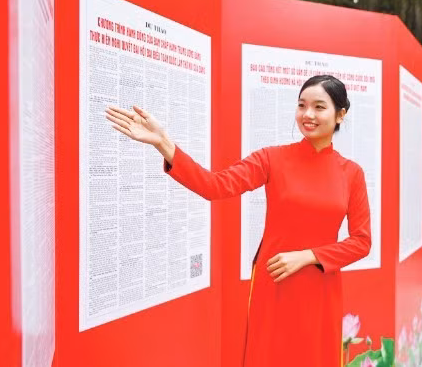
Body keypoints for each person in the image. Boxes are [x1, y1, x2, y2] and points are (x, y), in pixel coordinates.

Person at [106, 75, 371, 367]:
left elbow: (361, 241)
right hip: (276, 283)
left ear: (340, 115)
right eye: (302, 105)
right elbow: (214, 186)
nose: (308, 115)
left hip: (321, 287)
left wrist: (309, 256)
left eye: (319, 107)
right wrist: (164, 143)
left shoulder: (351, 173)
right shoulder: (272, 159)